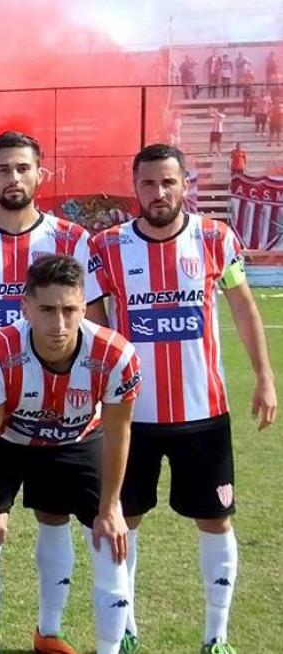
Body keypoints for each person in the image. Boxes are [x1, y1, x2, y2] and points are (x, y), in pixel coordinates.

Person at [91, 143, 277, 654]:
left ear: (185, 184)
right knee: (122, 520)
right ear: (136, 188)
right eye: (148, 183)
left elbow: (242, 308)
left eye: (168, 182)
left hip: (203, 413)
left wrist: (264, 376)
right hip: (132, 416)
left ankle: (216, 637)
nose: (158, 192)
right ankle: (123, 628)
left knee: (215, 518)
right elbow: (93, 317)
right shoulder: (107, 247)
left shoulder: (216, 238)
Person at [0, 131, 107, 654]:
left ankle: (47, 632)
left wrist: (44, 369)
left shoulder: (75, 239)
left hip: (64, 413)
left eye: (22, 168)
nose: (13, 178)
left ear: (40, 174)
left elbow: (94, 322)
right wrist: (1, 367)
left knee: (55, 517)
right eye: (3, 169)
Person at [0, 254, 140, 654]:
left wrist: (111, 507)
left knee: (109, 540)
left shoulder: (115, 355)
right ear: (25, 308)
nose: (59, 324)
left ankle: (83, 641)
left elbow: (118, 431)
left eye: (69, 310)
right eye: (46, 310)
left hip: (77, 440)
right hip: (9, 441)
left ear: (83, 307)